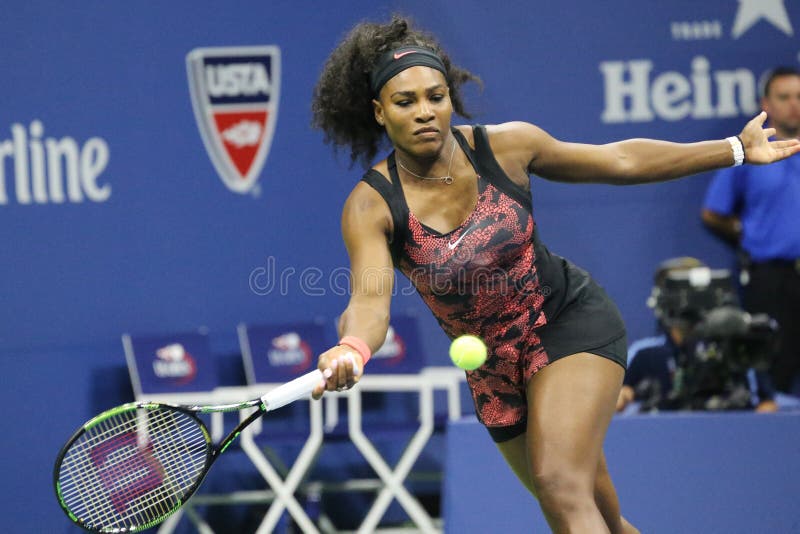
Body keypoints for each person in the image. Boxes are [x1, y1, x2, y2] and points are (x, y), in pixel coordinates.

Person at [308, 16, 800, 533]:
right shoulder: (372, 205)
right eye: (405, 102)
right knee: (600, 517)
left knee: (561, 485)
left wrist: (736, 149)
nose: (426, 112)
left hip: (566, 322)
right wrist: (353, 349)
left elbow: (622, 159)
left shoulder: (507, 147)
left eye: (436, 96)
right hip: (496, 372)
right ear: (379, 112)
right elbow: (369, 302)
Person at [701, 67, 800, 395]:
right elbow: (713, 212)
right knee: (774, 369)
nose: (793, 105)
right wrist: (750, 232)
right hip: (772, 279)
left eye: (799, 97)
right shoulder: (752, 150)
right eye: (784, 97)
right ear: (766, 103)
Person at [616, 257, 778, 414]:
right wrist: (622, 397)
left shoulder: (736, 347)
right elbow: (615, 397)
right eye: (679, 293)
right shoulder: (645, 353)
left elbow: (767, 404)